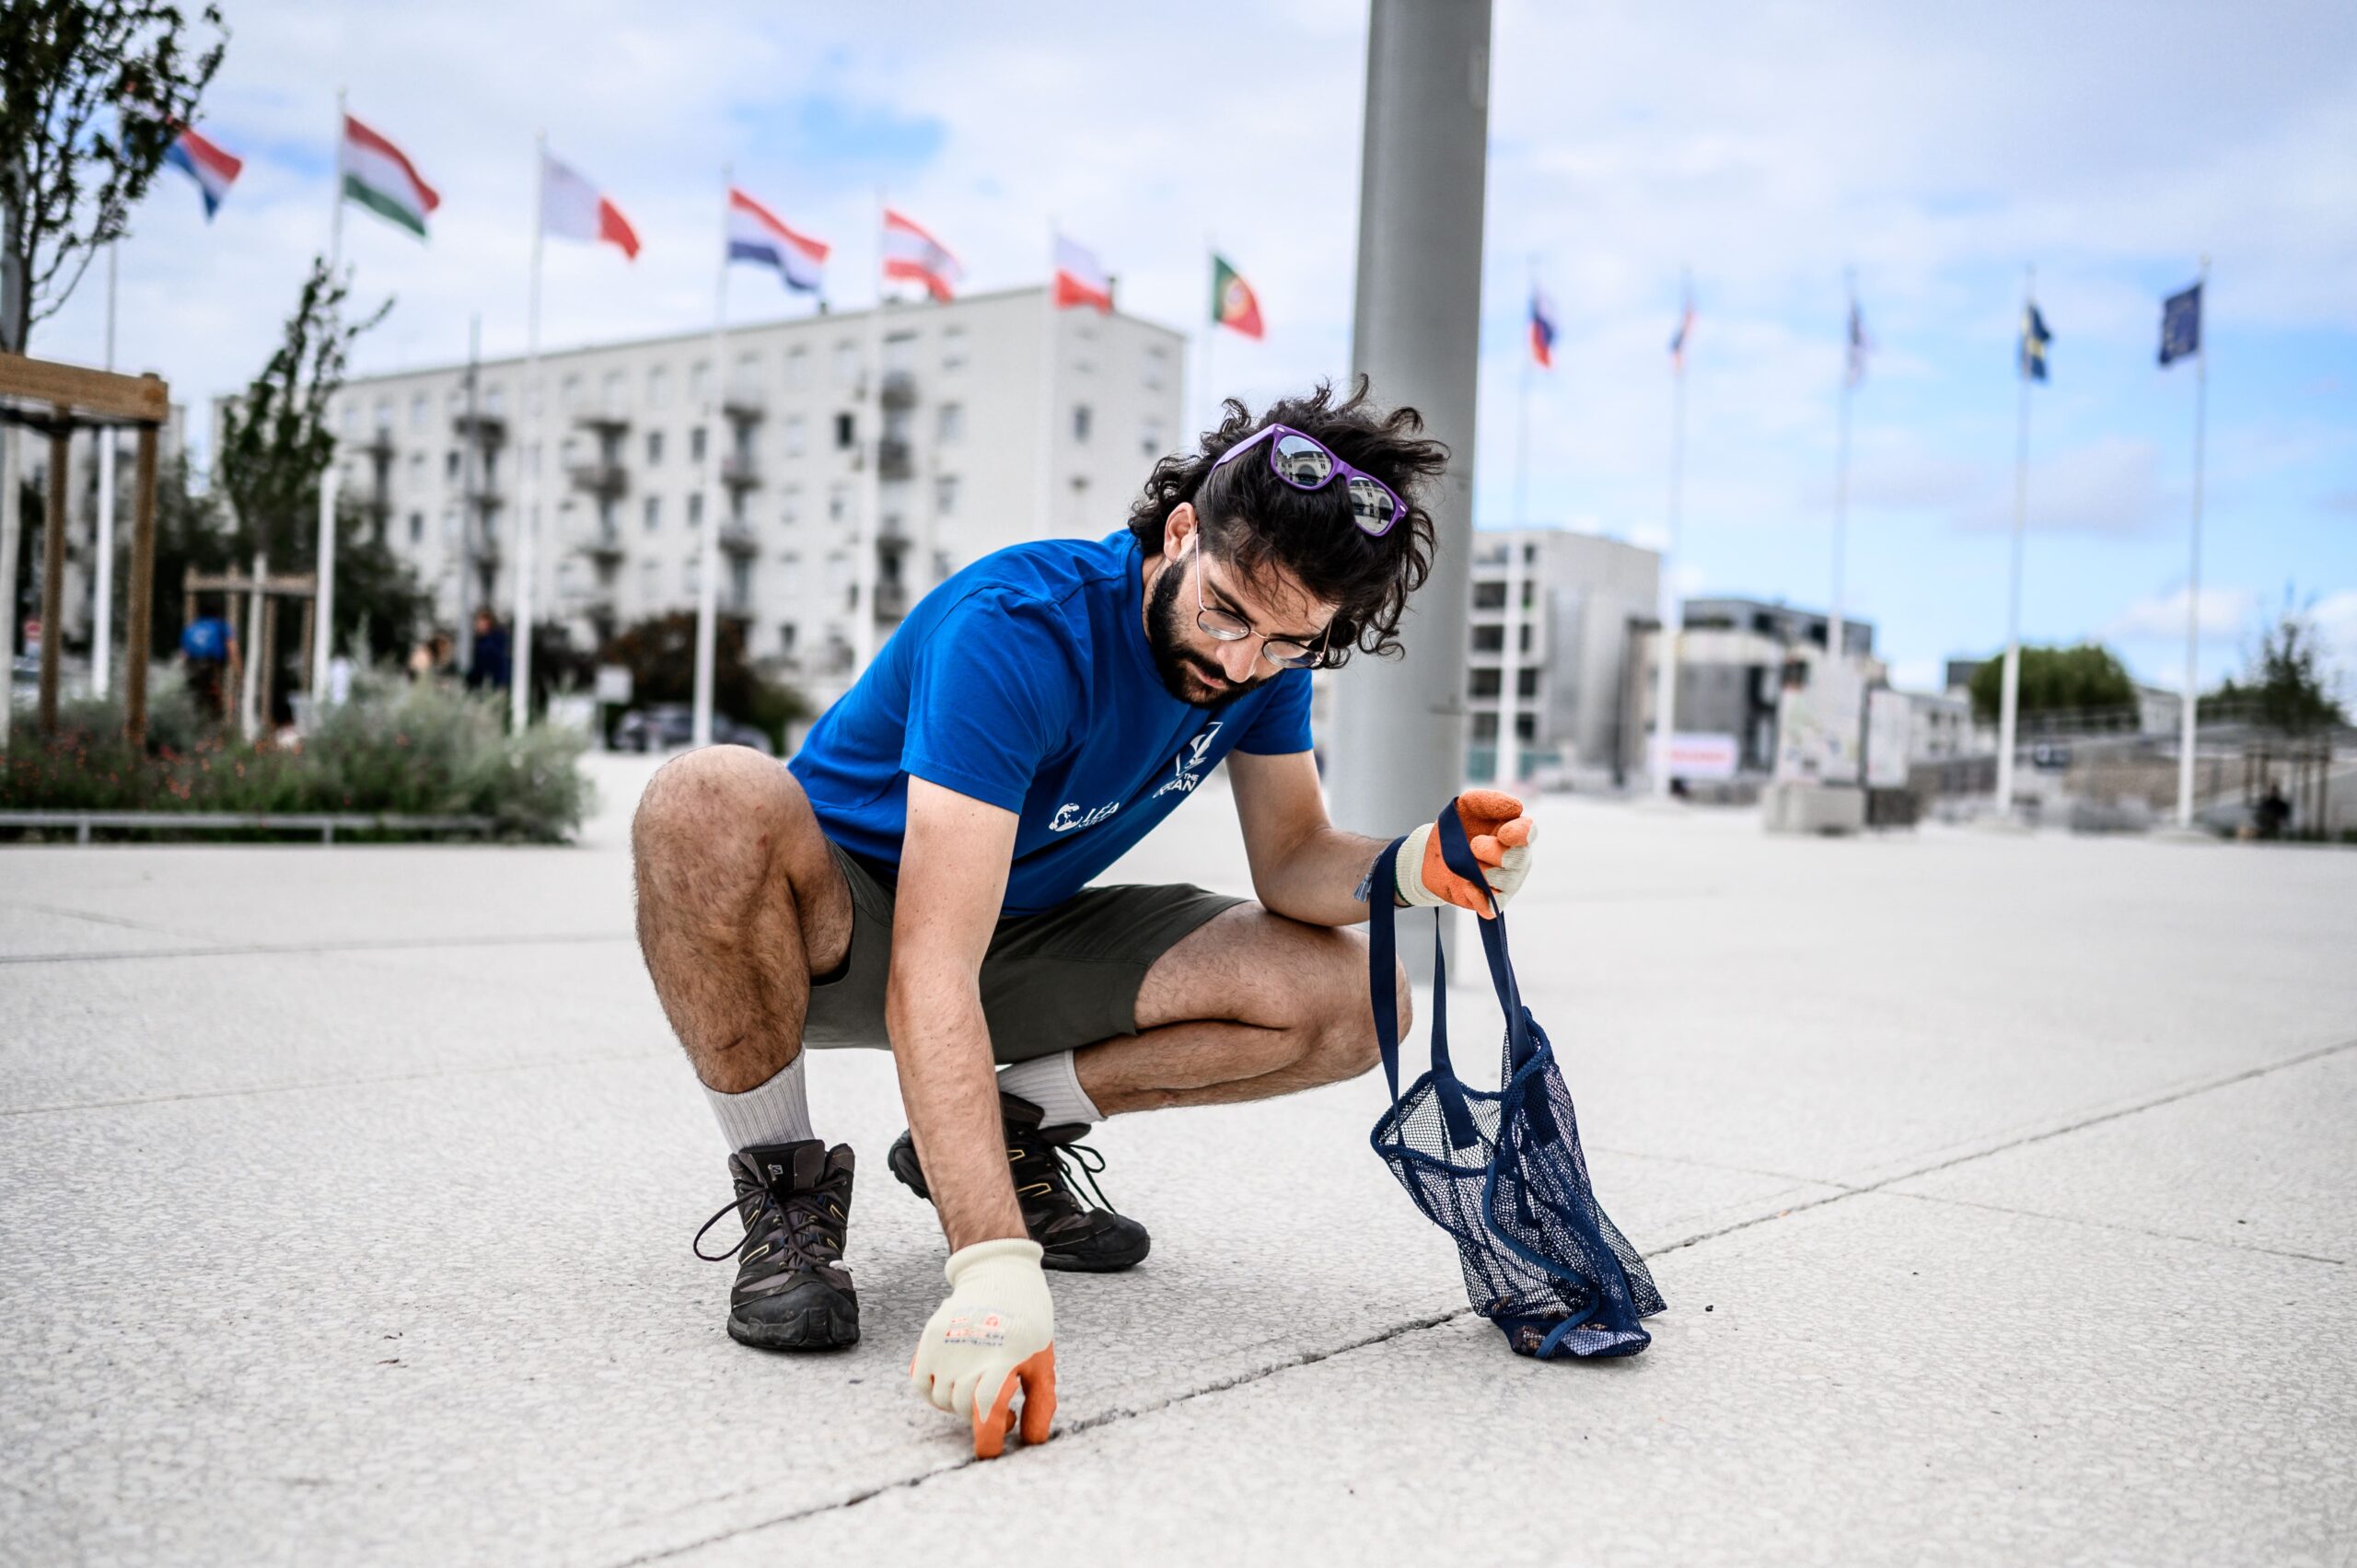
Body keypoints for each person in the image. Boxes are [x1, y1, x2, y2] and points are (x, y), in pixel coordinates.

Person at [632, 382, 1538, 1459]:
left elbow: (1293, 858)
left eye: (1292, 643)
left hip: (1019, 928)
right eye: (1227, 615)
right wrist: (991, 1266)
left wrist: (1415, 864)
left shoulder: (1262, 657)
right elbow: (931, 958)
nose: (1242, 662)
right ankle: (783, 1186)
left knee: (1354, 999)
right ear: (1182, 531)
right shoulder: (1019, 628)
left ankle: (996, 1130)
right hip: (836, 927)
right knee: (706, 796)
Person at [179, 612, 234, 721]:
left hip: (193, 665)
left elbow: (183, 654)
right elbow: (232, 648)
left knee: (196, 694)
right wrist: (239, 671)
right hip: (211, 664)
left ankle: (194, 716)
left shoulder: (190, 628)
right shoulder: (221, 625)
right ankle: (218, 716)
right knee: (216, 693)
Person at [465, 610, 511, 693]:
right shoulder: (481, 641)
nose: (477, 625)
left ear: (488, 623)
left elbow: (487, 665)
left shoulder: (493, 641)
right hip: (488, 682)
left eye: (480, 622)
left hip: (496, 682)